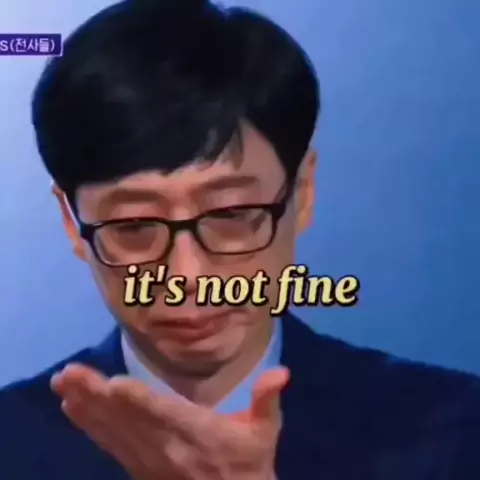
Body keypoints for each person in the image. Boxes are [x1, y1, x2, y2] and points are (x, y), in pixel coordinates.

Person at [1, 0, 479, 478]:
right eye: (134, 227)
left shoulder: (454, 431)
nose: (187, 277)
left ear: (302, 193)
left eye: (231, 215)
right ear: (72, 221)